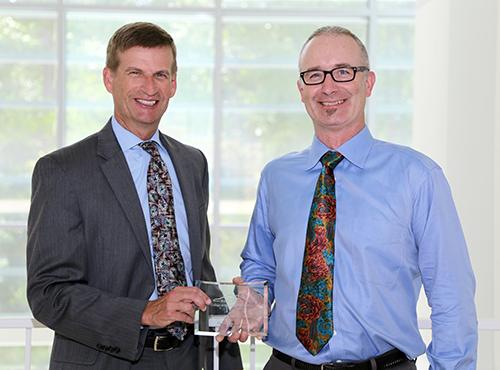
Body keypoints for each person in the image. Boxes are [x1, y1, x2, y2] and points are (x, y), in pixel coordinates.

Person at [231, 26, 478, 369]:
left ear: (369, 82)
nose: (329, 87)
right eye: (315, 75)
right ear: (301, 89)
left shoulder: (418, 177)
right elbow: (259, 265)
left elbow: (451, 296)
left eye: (344, 72)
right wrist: (254, 297)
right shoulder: (276, 177)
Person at [26, 22, 241, 370]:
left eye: (160, 74)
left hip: (190, 359)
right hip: (108, 359)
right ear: (109, 79)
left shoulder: (192, 162)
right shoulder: (62, 170)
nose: (149, 87)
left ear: (173, 83)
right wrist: (144, 312)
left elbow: (195, 268)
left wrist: (228, 315)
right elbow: (48, 293)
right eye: (135, 73)